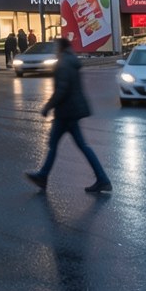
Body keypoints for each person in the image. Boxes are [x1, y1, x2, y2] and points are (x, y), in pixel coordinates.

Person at [26, 37, 111, 193]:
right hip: (71, 110)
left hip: (66, 112)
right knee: (78, 146)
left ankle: (43, 176)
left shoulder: (63, 64)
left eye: (56, 46)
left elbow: (61, 90)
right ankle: (102, 179)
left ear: (61, 47)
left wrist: (47, 107)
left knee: (57, 145)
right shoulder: (71, 61)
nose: (55, 49)